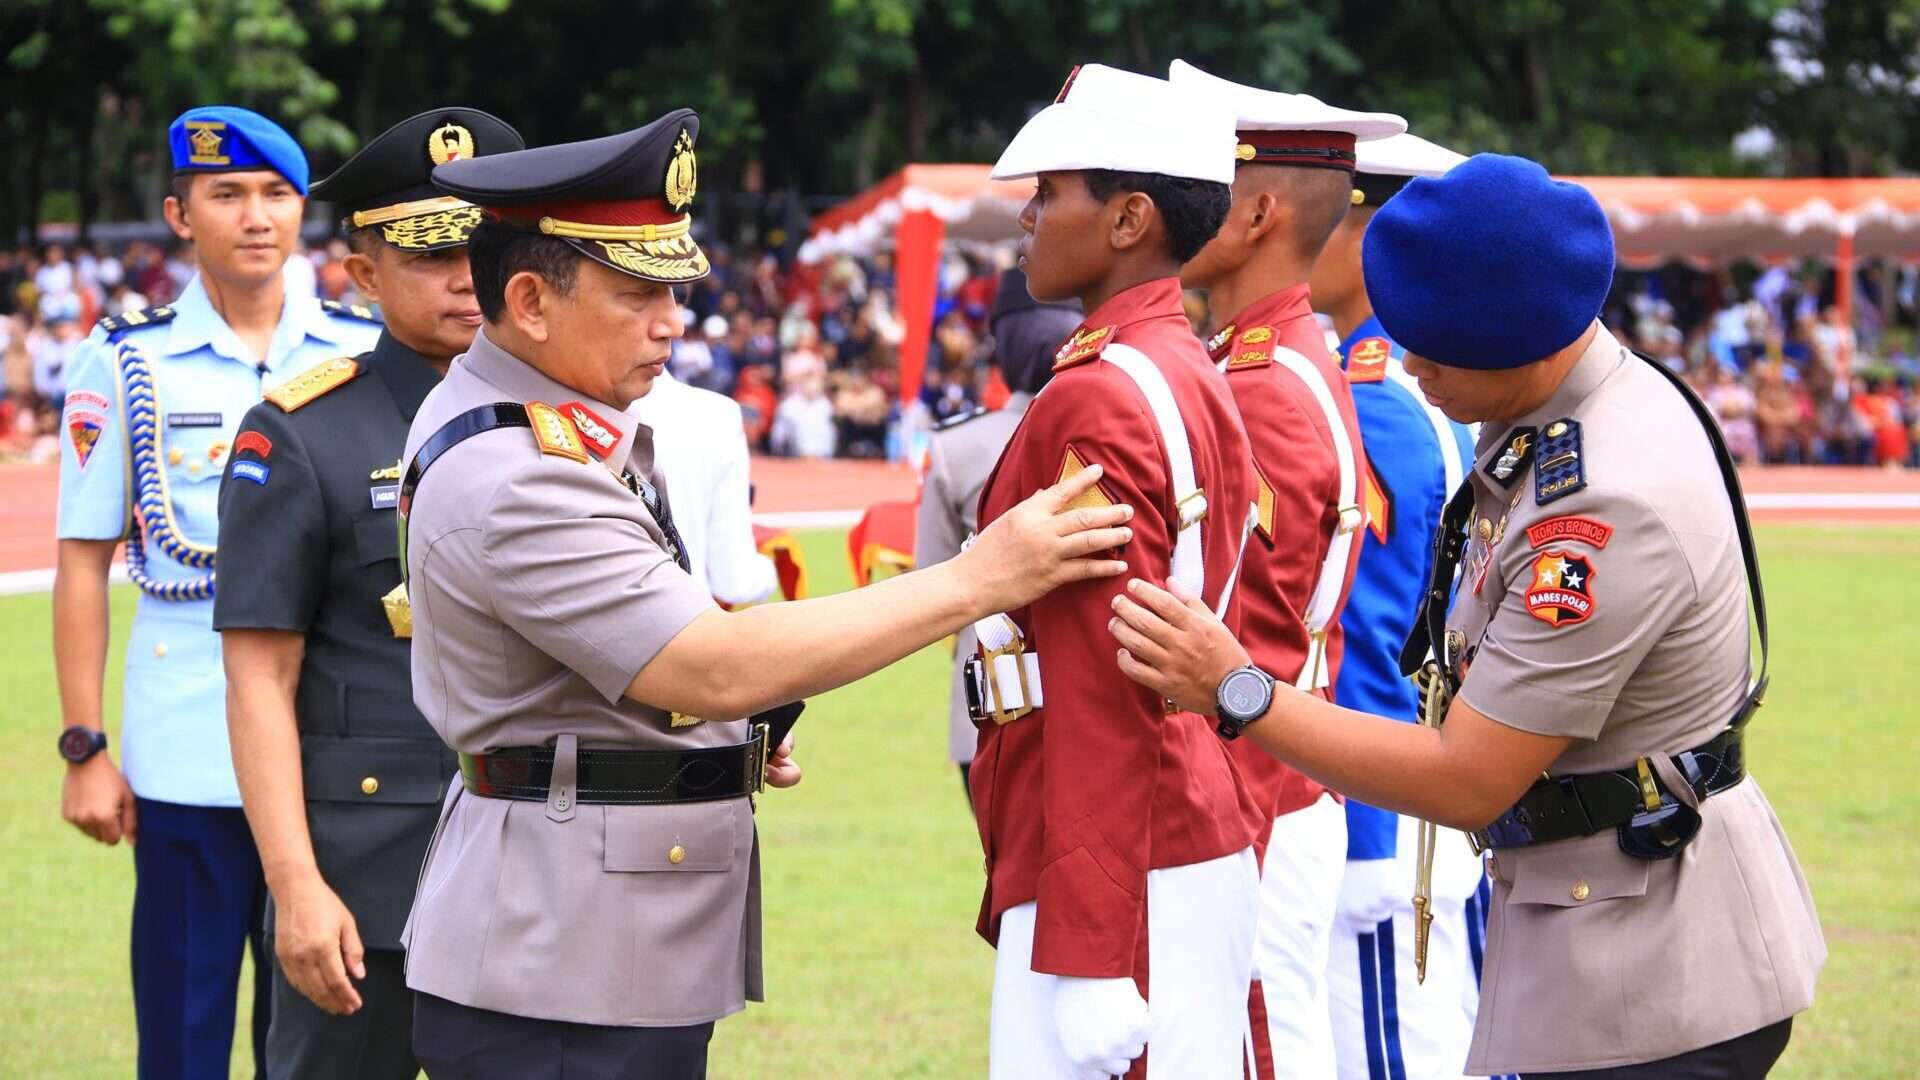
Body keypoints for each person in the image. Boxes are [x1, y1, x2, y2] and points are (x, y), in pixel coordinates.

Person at [396, 109, 1135, 1080]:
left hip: (588, 933)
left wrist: (735, 729)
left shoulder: (553, 424)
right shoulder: (521, 470)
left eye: (674, 288)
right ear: (531, 300)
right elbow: (710, 662)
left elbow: (639, 659)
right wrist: (978, 577)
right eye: (638, 293)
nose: (673, 320)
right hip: (563, 959)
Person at [1106, 154, 1826, 1079]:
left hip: (1651, 970)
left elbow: (1465, 779)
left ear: (1520, 340)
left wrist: (1235, 687)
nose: (1411, 365)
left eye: (1437, 349)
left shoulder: (1604, 508)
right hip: (1598, 913)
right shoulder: (1576, 399)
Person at [52, 105, 383, 1080]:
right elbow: (82, 558)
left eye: (276, 194)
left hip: (330, 745)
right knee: (185, 1038)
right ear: (179, 213)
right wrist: (83, 748)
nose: (254, 216)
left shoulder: (360, 351)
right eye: (226, 194)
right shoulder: (125, 363)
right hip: (189, 750)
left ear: (302, 215)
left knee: (317, 1037)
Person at [211, 107, 522, 1080]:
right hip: (363, 887)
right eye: (433, 256)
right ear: (365, 275)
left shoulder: (580, 427)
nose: (467, 279)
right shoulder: (301, 434)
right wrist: (294, 886)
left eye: (487, 248)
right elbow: (260, 677)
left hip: (539, 880)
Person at [972, 63, 1263, 1080]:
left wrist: (1090, 945)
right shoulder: (1169, 360)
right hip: (1169, 824)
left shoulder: (1102, 391)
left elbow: (1104, 675)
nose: (1029, 217)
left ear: (1130, 216)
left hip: (1123, 855)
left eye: (1052, 193)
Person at [1167, 59, 1404, 1080]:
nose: (1173, 199)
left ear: (1258, 210)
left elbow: (1245, 630)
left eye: (1199, 181)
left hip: (1253, 781)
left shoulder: (1262, 383)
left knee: (1262, 1049)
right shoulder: (1269, 355)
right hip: (1272, 773)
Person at [1307, 130, 1494, 1080]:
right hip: (1435, 785)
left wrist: (1367, 839)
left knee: (1393, 1055)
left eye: (1323, 212)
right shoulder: (1417, 379)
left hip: (1385, 809)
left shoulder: (1376, 395)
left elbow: (1372, 641)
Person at [915, 266, 1081, 803]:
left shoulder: (956, 446)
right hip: (1097, 692)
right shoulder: (1121, 422)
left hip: (995, 691)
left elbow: (932, 575)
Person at [628, 366, 781, 606]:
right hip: (684, 622)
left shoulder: (554, 416)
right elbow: (735, 582)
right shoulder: (718, 414)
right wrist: (771, 566)